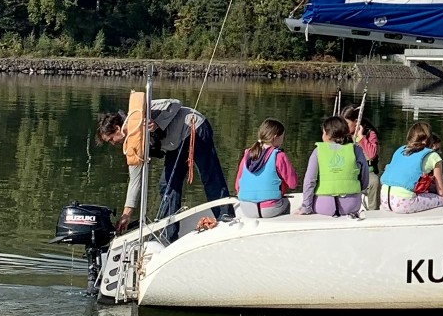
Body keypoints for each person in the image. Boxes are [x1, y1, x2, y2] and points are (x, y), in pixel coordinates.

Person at [98, 96, 231, 241]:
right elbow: (135, 181)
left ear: (117, 129)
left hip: (194, 127)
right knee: (167, 185)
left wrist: (157, 124)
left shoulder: (141, 111)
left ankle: (225, 215)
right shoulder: (132, 145)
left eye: (111, 139)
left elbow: (175, 104)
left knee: (209, 175)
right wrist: (126, 215)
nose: (112, 144)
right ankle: (169, 235)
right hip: (176, 144)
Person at [300, 114, 370, 218]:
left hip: (323, 206)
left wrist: (306, 207)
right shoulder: (356, 150)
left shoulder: (318, 151)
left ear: (326, 133)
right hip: (351, 205)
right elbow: (365, 180)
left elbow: (309, 181)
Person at [381, 123, 443, 212]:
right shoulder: (433, 156)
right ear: (429, 139)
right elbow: (442, 192)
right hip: (403, 202)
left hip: (384, 200)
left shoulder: (401, 150)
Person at [236, 120, 298, 218]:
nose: (282, 140)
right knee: (287, 203)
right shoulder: (279, 156)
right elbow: (293, 184)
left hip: (247, 209)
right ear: (275, 137)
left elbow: (237, 186)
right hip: (269, 209)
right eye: (282, 137)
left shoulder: (247, 156)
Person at [342, 106, 380, 207]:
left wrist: (361, 138)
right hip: (349, 173)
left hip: (366, 174)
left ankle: (373, 211)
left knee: (375, 181)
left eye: (347, 124)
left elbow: (372, 155)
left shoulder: (369, 134)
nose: (344, 127)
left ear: (356, 122)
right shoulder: (343, 136)